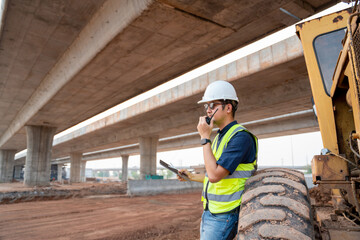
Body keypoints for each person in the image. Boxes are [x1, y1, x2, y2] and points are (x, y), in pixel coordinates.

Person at [178, 80, 258, 240]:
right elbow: (214, 173)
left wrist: (204, 137)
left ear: (228, 107)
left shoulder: (240, 137)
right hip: (212, 211)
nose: (208, 110)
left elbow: (215, 176)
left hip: (224, 214)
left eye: (213, 105)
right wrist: (191, 176)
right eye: (206, 106)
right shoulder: (221, 137)